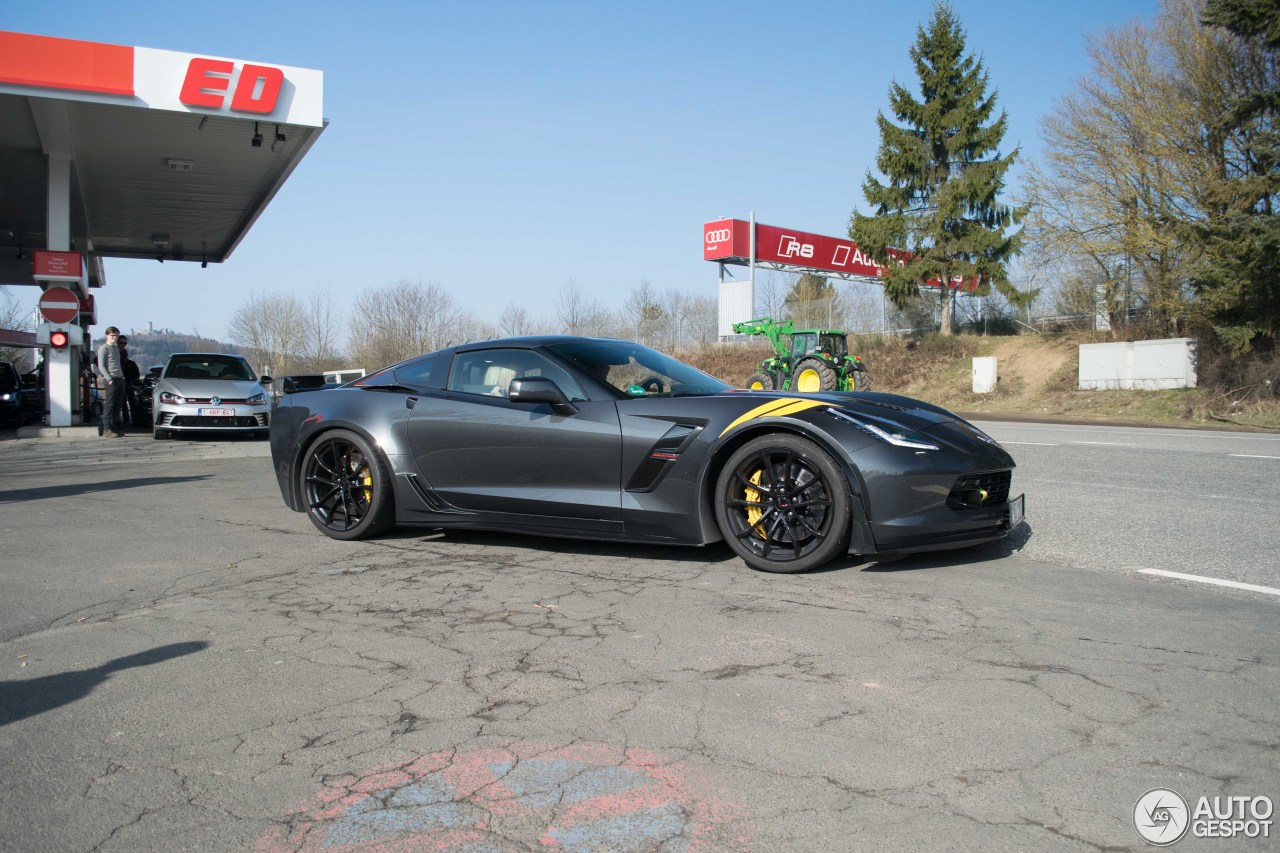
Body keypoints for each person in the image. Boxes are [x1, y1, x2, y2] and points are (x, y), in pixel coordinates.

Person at [96, 326, 126, 437]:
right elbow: (101, 366)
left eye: (116, 336)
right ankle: (106, 429)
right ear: (107, 336)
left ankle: (114, 427)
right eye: (112, 336)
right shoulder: (104, 348)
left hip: (120, 378)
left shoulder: (116, 348)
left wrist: (122, 377)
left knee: (117, 406)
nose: (115, 338)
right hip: (111, 379)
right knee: (110, 405)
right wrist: (109, 379)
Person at [117, 335, 141, 427]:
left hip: (129, 385)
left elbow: (136, 375)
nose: (123, 345)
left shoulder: (131, 364)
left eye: (125, 343)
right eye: (121, 343)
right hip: (119, 383)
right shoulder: (113, 354)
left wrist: (131, 382)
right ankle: (124, 421)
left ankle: (134, 421)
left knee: (132, 403)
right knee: (121, 403)